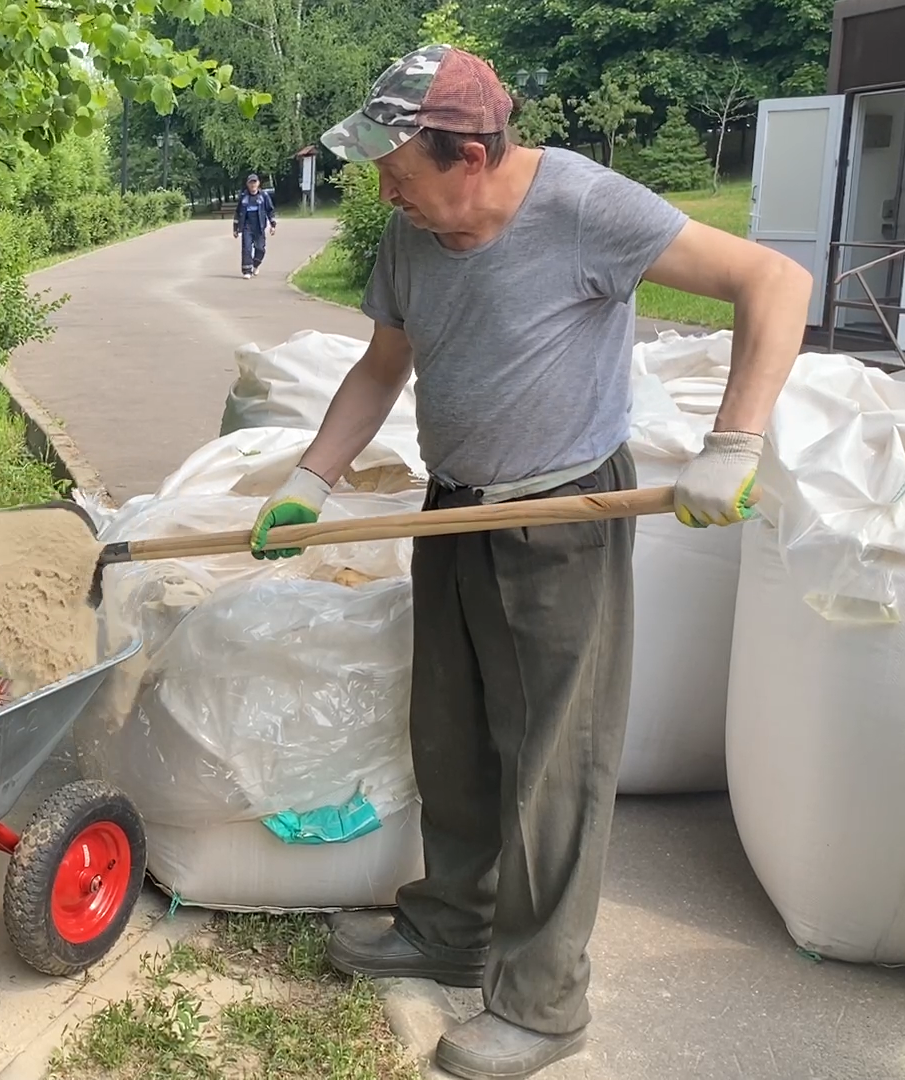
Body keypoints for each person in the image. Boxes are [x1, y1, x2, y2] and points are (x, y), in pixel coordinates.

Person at [246, 45, 809, 1080]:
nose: (384, 190)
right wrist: (311, 479)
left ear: (468, 152)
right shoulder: (412, 237)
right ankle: (449, 926)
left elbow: (771, 281)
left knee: (556, 768)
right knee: (451, 739)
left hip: (564, 514)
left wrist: (736, 443)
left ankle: (545, 1004)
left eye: (397, 168)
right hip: (452, 511)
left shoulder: (585, 208)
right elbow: (382, 367)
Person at [233, 172, 277, 278]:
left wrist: (273, 225)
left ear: (258, 183)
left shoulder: (264, 196)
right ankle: (247, 271)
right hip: (247, 226)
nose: (253, 185)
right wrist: (235, 229)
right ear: (247, 184)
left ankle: (255, 265)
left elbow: (270, 210)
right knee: (247, 248)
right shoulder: (244, 197)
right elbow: (238, 213)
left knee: (260, 249)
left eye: (254, 182)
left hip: (260, 226)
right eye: (250, 183)